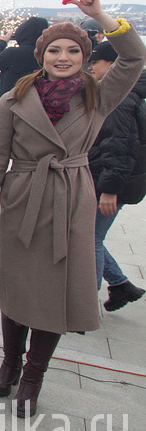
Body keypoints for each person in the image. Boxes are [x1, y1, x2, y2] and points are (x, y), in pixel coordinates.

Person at [0, 0, 145, 417]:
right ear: (41, 55)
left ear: (84, 56)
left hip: (70, 197)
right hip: (23, 197)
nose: (63, 57)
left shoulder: (97, 95)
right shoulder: (14, 98)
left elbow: (134, 56)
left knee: (53, 293)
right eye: (54, 50)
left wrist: (100, 16)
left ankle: (33, 377)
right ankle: (10, 363)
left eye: (73, 50)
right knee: (15, 286)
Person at [86, 40, 146, 312]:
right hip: (110, 178)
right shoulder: (125, 92)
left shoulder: (119, 99)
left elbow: (119, 146)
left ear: (113, 65)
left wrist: (109, 190)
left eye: (96, 62)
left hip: (110, 183)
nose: (92, 67)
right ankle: (121, 285)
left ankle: (86, 303)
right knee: (90, 236)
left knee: (91, 239)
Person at [0, 16, 48, 124]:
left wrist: (2, 42)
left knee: (0, 138)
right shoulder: (46, 55)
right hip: (34, 111)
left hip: (5, 107)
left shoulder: (13, 53)